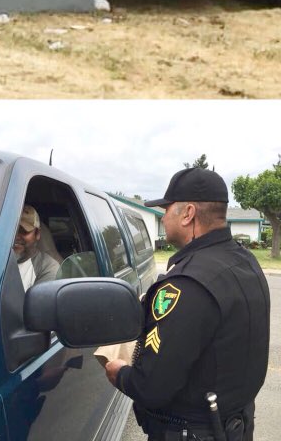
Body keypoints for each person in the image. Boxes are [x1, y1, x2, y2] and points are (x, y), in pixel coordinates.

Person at [104, 167, 270, 440]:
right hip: (233, 424)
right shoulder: (245, 261)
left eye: (167, 209)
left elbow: (151, 388)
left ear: (188, 213)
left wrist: (119, 373)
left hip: (192, 431)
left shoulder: (186, 284)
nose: (164, 216)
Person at [14, 204, 60, 289]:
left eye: (23, 231)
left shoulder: (47, 267)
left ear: (37, 234)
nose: (16, 236)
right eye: (13, 230)